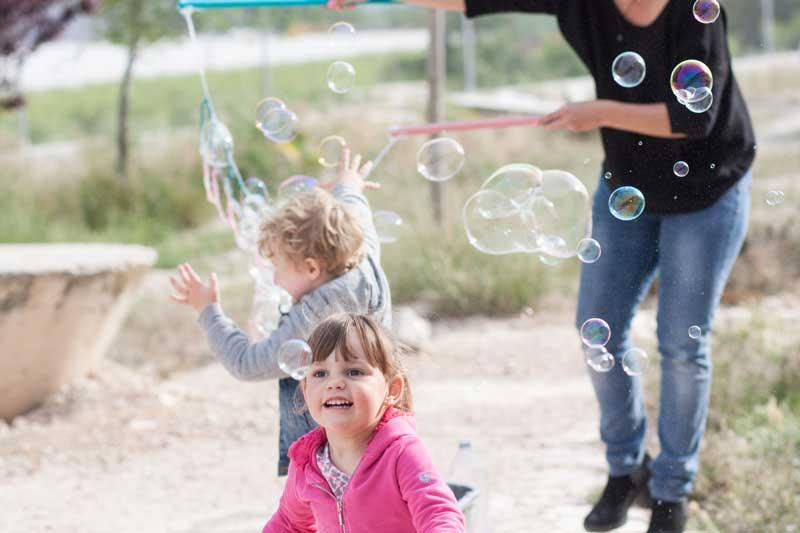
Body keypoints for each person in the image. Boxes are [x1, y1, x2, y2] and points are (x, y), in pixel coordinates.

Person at [333, 1, 755, 531]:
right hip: (629, 183)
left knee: (681, 342)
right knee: (597, 329)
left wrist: (598, 111)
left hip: (708, 191)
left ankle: (672, 492)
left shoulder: (696, 12)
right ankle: (626, 470)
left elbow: (695, 115)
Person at [169, 148, 393, 477]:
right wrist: (349, 186)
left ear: (312, 268)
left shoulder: (320, 311)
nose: (274, 278)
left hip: (334, 453)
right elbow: (358, 215)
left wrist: (208, 312)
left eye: (278, 267)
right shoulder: (362, 255)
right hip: (378, 429)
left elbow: (248, 363)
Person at [263, 313, 466, 533]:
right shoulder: (307, 463)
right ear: (304, 390)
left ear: (393, 390)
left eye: (354, 372)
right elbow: (289, 524)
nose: (334, 383)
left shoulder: (400, 452)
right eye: (320, 373)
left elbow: (437, 511)